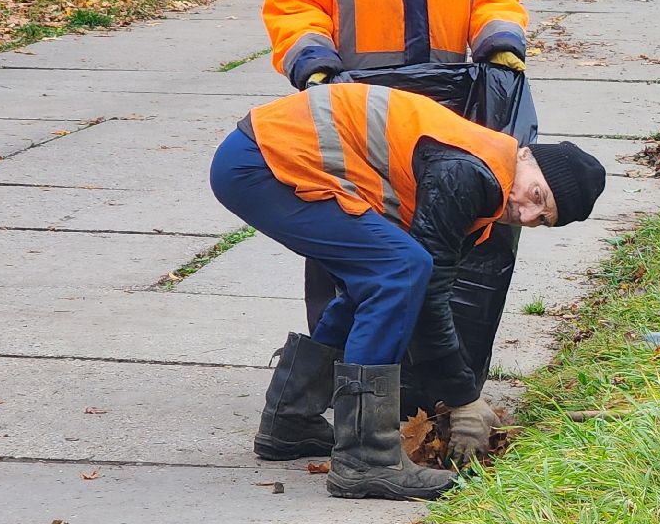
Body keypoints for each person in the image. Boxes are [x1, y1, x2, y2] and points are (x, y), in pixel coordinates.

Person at [262, 0, 529, 461]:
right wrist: (316, 69)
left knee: (449, 246)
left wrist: (499, 44)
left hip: (444, 96)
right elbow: (295, 4)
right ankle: (347, 389)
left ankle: (435, 382)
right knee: (353, 244)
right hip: (355, 100)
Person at [212, 83, 605, 499]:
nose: (525, 213)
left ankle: (290, 418)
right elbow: (429, 294)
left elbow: (426, 297)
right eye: (536, 195)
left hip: (257, 158)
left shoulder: (485, 178)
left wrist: (459, 393)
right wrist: (463, 398)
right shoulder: (470, 172)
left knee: (385, 277)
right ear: (525, 155)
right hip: (260, 163)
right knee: (401, 267)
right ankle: (365, 459)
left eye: (541, 219)